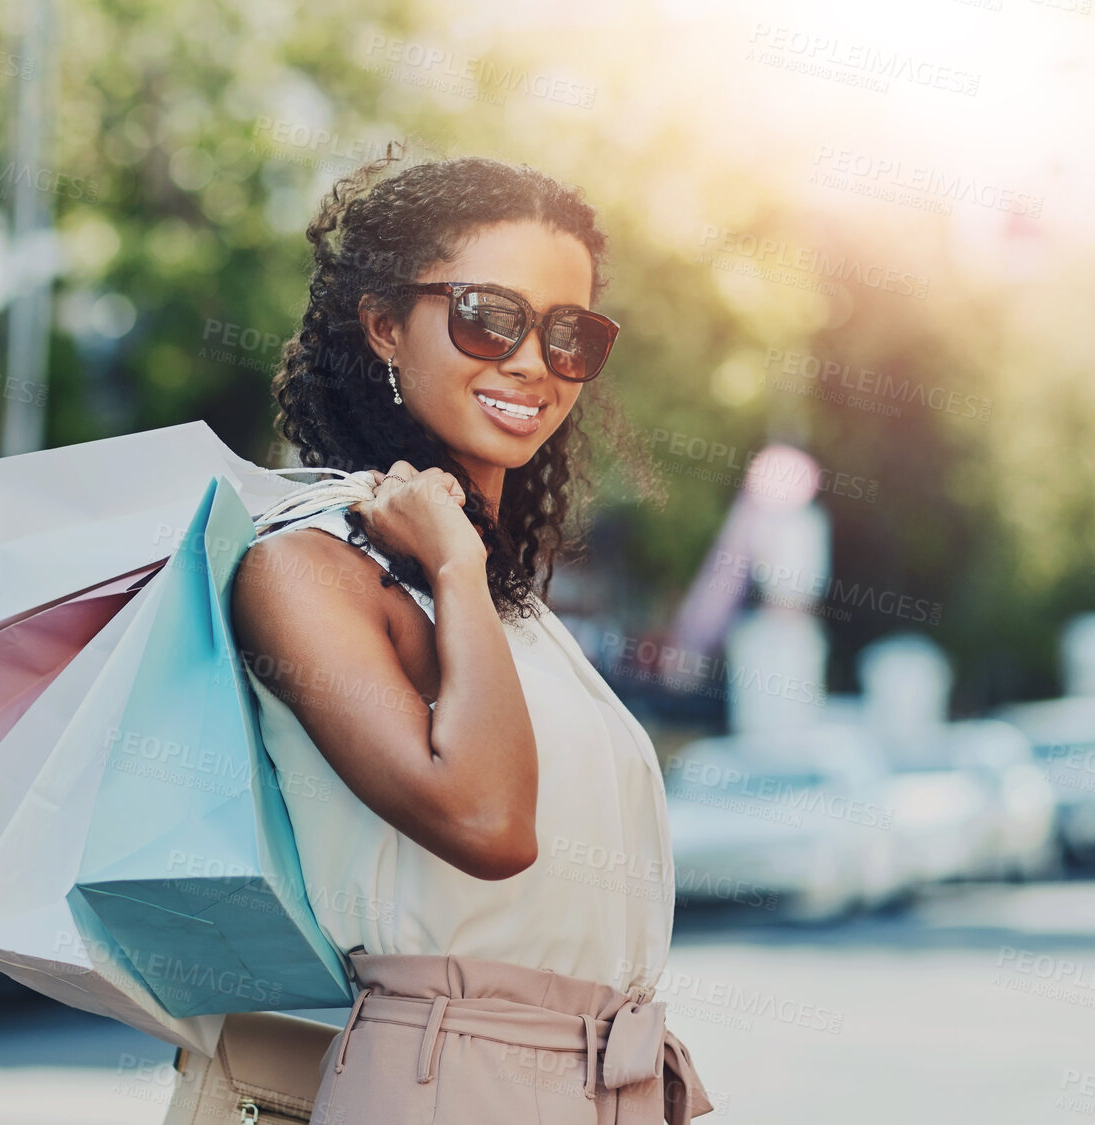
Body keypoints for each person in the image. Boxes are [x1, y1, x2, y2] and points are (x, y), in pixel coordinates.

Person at [229, 149, 716, 1124]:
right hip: (445, 1082)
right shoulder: (308, 569)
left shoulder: (517, 612)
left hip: (601, 1084)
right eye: (487, 315)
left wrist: (462, 570)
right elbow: (489, 825)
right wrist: (451, 563)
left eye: (568, 332)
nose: (532, 360)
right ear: (383, 327)